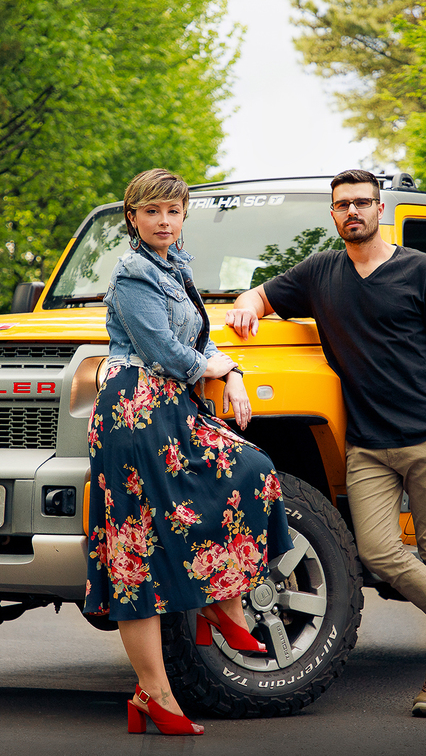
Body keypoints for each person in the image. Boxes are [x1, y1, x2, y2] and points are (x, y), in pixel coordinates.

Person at [226, 169, 426, 718]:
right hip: (366, 445)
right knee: (378, 551)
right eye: (343, 205)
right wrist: (247, 303)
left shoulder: (423, 270)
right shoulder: (321, 272)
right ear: (333, 215)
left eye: (362, 202)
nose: (352, 211)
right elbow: (262, 295)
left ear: (379, 209)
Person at [84, 168, 293, 736]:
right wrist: (216, 370)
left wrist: (236, 374)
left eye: (173, 212)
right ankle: (155, 694)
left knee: (251, 470)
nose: (164, 221)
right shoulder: (131, 272)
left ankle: (216, 602)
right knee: (135, 550)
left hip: (174, 407)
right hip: (135, 410)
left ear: (183, 217)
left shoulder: (177, 267)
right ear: (133, 218)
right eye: (152, 212)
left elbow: (200, 340)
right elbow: (161, 349)